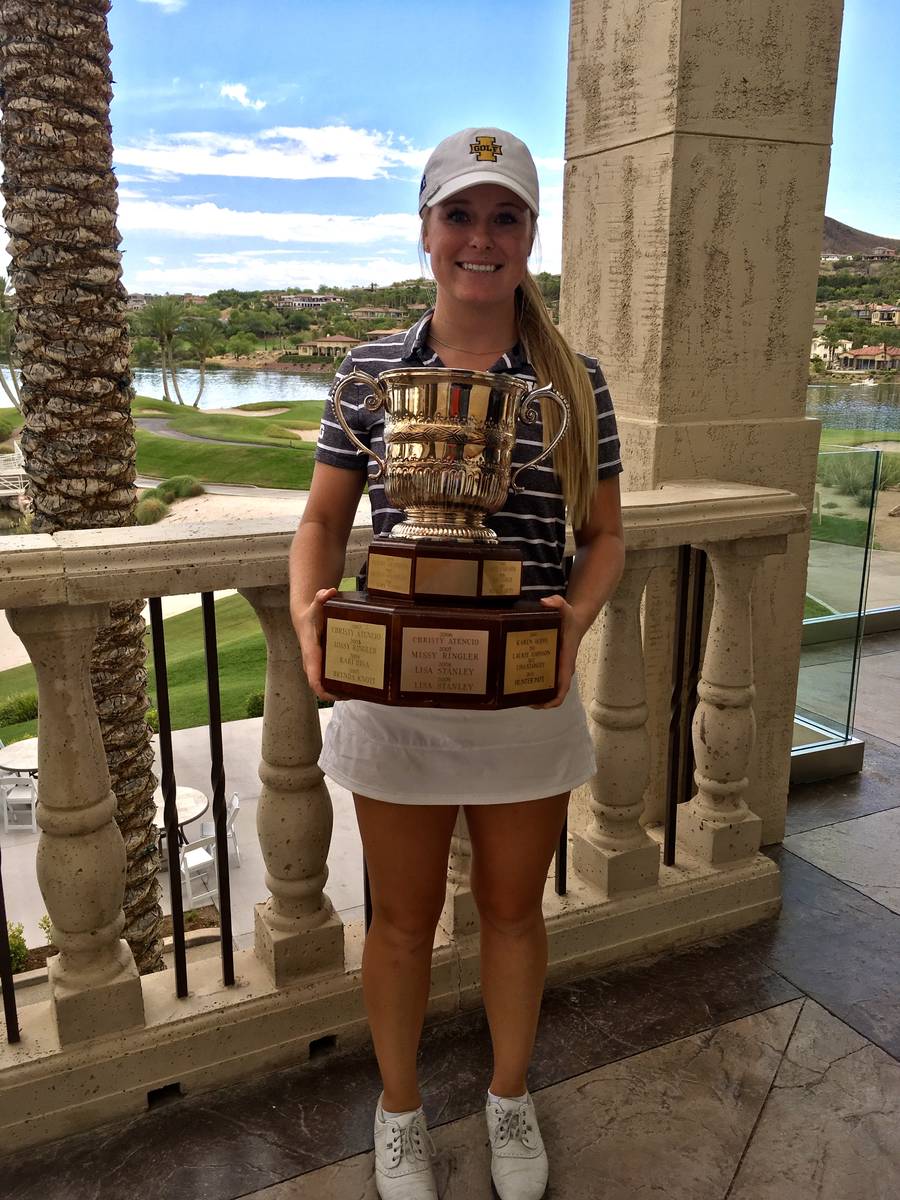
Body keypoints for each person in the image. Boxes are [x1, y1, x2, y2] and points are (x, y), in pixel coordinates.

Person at [290, 127, 625, 1200]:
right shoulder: (369, 369)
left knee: (516, 912)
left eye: (506, 217)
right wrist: (308, 616)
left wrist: (572, 620)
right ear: (428, 230)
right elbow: (321, 520)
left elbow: (606, 536)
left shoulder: (577, 381)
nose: (481, 238)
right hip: (396, 694)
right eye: (461, 215)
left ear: (530, 235)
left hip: (524, 688)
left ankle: (509, 1098)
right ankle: (398, 1114)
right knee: (400, 920)